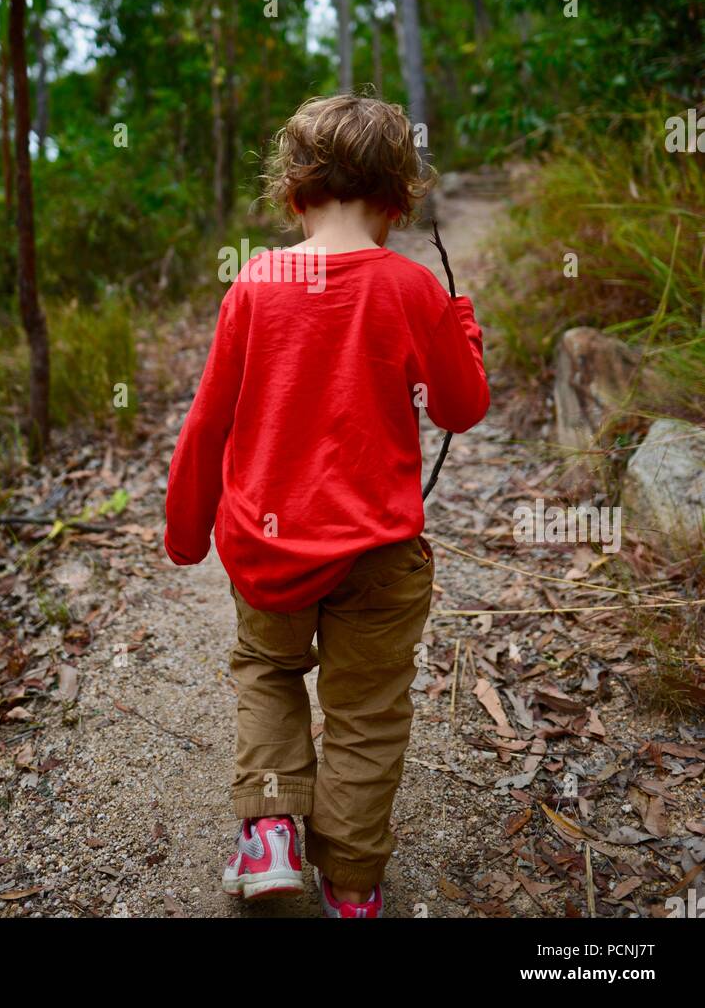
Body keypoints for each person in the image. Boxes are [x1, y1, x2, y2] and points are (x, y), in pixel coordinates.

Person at [164, 94, 490, 918]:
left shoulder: (256, 282)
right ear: (398, 198)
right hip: (379, 555)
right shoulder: (413, 288)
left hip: (268, 549)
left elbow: (209, 420)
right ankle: (350, 884)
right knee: (366, 712)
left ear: (293, 192)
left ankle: (270, 832)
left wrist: (185, 528)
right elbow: (458, 409)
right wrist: (464, 338)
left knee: (269, 672)